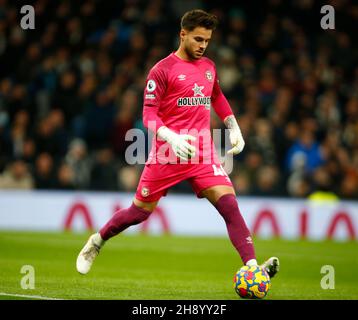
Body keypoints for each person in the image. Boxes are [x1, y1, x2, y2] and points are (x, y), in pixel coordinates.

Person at [76, 9, 279, 280]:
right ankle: (97, 242)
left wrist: (233, 126)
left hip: (202, 152)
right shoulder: (161, 71)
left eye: (207, 40)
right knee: (138, 213)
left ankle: (253, 268)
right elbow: (148, 115)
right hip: (167, 153)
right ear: (182, 34)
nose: (202, 46)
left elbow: (216, 96)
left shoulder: (208, 67)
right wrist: (171, 137)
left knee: (229, 205)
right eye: (197, 39)